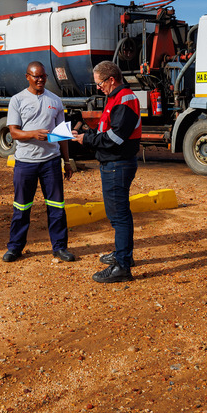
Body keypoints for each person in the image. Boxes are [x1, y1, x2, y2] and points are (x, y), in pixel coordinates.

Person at [72, 60, 140, 283]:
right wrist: (85, 131)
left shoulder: (124, 99)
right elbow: (109, 129)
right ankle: (123, 256)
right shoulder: (116, 97)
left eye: (100, 83)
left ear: (111, 79)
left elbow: (116, 137)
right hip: (115, 163)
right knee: (119, 214)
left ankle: (121, 266)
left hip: (117, 164)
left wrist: (88, 139)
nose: (98, 87)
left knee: (118, 217)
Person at [2, 61, 77, 263]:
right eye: (36, 76)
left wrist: (67, 162)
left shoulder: (55, 101)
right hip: (25, 163)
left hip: (50, 163)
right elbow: (14, 132)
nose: (40, 80)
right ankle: (15, 247)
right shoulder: (17, 100)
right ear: (27, 76)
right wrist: (33, 134)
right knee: (21, 207)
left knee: (56, 206)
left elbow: (62, 135)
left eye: (43, 76)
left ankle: (60, 247)